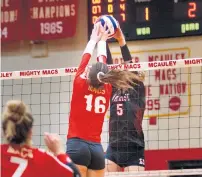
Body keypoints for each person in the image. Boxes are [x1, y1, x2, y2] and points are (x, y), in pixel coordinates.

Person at [66, 23, 141, 177]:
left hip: (77, 145)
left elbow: (86, 58)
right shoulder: (107, 88)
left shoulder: (80, 83)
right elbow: (103, 63)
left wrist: (94, 39)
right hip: (97, 150)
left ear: (88, 75)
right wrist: (102, 41)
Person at [1, 100, 80, 177]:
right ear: (30, 132)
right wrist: (59, 151)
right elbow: (75, 174)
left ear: (5, 131)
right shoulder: (43, 158)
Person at [105, 26, 146, 172]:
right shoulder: (114, 88)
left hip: (134, 147)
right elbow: (108, 66)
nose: (128, 71)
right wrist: (104, 41)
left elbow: (130, 64)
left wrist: (122, 41)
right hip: (114, 146)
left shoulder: (138, 88)